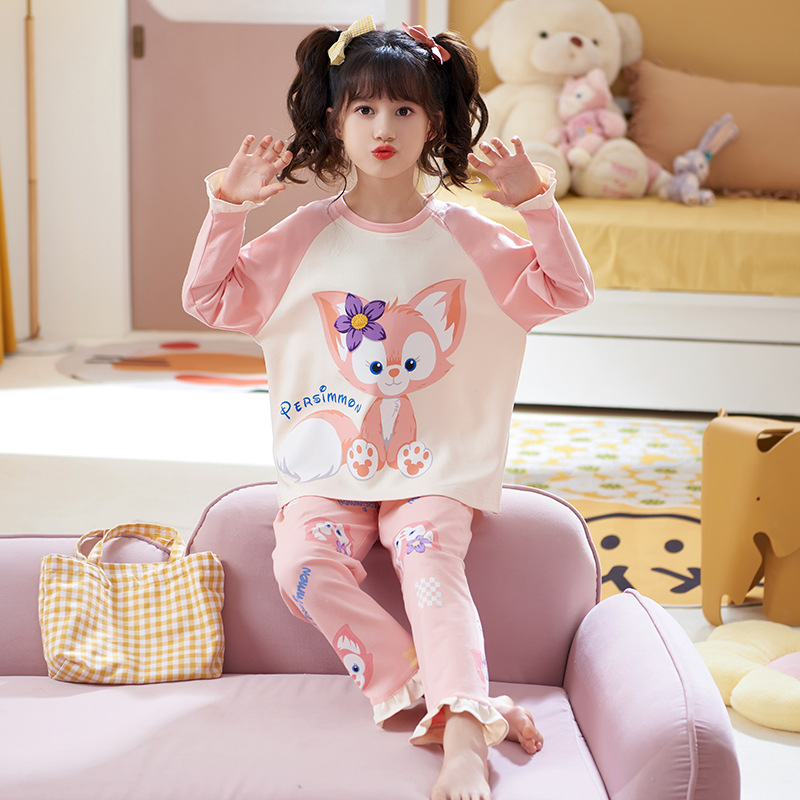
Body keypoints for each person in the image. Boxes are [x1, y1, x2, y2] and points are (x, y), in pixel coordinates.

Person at [183, 17, 594, 800]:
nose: (383, 128)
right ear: (335, 120)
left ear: (433, 122)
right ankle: (453, 698)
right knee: (303, 568)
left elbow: (567, 291)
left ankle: (465, 742)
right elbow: (209, 299)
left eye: (405, 109)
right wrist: (228, 208)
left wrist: (538, 206)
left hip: (435, 465)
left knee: (429, 564)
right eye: (364, 109)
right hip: (328, 470)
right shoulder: (304, 236)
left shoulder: (467, 235)